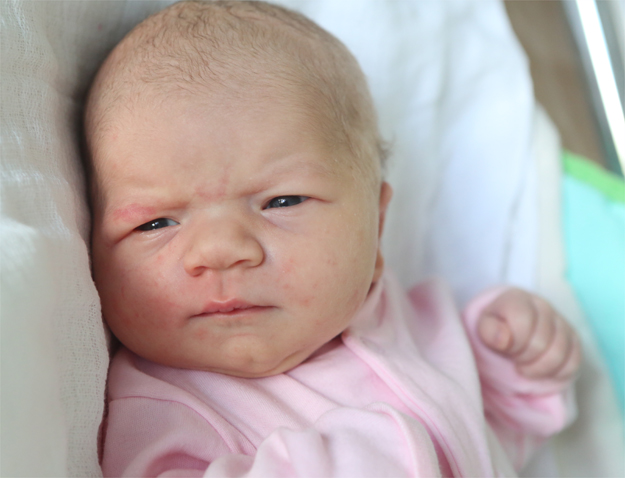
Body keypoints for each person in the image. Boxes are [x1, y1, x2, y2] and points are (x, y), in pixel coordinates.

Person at [84, 1, 581, 476]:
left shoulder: (420, 325)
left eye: (282, 201)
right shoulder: (160, 411)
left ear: (377, 227)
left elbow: (484, 444)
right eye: (154, 224)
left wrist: (507, 368)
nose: (220, 251)